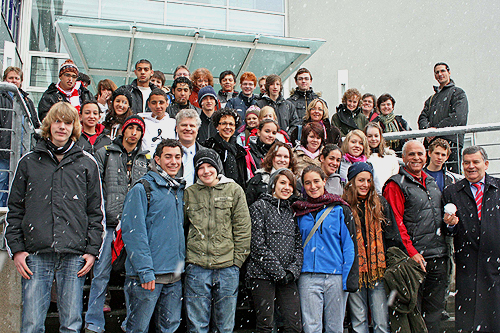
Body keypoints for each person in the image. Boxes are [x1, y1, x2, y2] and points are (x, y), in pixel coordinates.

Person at [5, 102, 104, 333]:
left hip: (74, 256)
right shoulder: (28, 162)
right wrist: (17, 250)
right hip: (36, 254)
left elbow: (95, 211)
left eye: (68, 122)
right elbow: (15, 209)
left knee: (71, 324)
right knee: (31, 324)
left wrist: (92, 250)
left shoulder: (87, 163)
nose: (62, 127)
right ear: (49, 125)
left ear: (74, 127)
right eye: (57, 121)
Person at [86, 115, 150, 333]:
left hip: (134, 226)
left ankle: (130, 323)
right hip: (109, 223)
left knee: (133, 277)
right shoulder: (105, 153)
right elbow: (94, 187)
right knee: (101, 273)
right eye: (130, 128)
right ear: (123, 130)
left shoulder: (146, 159)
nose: (133, 133)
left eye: (138, 129)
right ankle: (93, 322)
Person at [119, 138, 184, 333]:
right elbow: (133, 234)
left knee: (169, 328)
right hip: (147, 276)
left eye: (177, 157)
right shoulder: (142, 188)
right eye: (168, 157)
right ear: (157, 159)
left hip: (174, 275)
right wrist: (145, 271)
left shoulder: (177, 189)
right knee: (137, 328)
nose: (173, 161)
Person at [383, 140, 448, 333]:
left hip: (438, 256)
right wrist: (412, 253)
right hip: (413, 261)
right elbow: (396, 224)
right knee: (413, 315)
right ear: (403, 158)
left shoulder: (431, 181)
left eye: (420, 154)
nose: (416, 158)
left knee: (434, 314)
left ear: (426, 156)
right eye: (411, 154)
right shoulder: (395, 185)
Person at [184, 149, 251, 333]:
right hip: (197, 267)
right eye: (201, 168)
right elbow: (182, 227)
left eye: (210, 166)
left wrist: (237, 261)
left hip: (227, 267)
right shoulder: (190, 193)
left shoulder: (234, 190)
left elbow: (242, 228)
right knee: (197, 325)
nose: (206, 171)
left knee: (225, 325)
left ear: (218, 168)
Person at [292, 165, 358, 333]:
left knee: (335, 327)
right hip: (308, 276)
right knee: (311, 327)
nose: (312, 187)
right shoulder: (299, 211)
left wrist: (348, 277)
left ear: (324, 181)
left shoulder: (340, 208)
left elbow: (349, 245)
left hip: (335, 276)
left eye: (316, 181)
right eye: (307, 183)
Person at [342, 162, 406, 333]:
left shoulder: (380, 204)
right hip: (354, 270)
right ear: (352, 181)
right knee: (358, 320)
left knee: (381, 320)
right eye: (361, 180)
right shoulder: (343, 207)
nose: (365, 185)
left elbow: (391, 235)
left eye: (368, 180)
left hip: (378, 269)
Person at [442, 146, 500, 332]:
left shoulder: (498, 188)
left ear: (486, 164)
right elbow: (449, 231)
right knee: (470, 318)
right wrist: (450, 224)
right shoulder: (452, 192)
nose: (470, 166)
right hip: (468, 264)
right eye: (466, 162)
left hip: (496, 263)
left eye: (475, 162)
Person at [246, 168, 303, 333]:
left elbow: (298, 246)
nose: (287, 188)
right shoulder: (258, 207)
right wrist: (278, 272)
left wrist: (292, 271)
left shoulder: (291, 211)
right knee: (266, 325)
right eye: (282, 183)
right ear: (273, 185)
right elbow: (257, 245)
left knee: (294, 325)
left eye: (290, 184)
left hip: (287, 276)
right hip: (262, 275)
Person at [418, 62, 469, 174]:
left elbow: (458, 118)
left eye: (442, 71)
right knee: (431, 178)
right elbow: (422, 117)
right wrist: (428, 130)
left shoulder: (458, 93)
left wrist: (436, 130)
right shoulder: (431, 99)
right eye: (437, 72)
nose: (440, 74)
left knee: (452, 177)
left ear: (449, 72)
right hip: (431, 145)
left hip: (451, 143)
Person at [202, 108, 248, 189]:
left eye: (231, 124)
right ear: (217, 126)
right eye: (224, 123)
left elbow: (243, 178)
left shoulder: (240, 151)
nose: (228, 127)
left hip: (236, 192)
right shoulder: (208, 147)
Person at [246, 141, 297, 206]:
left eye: (286, 157)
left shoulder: (295, 180)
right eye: (278, 156)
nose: (282, 160)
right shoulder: (258, 180)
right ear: (272, 157)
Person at [365, 122, 399, 194]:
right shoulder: (363, 158)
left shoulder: (390, 157)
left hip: (388, 194)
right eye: (370, 136)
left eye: (376, 136)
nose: (373, 139)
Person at [175, 108, 206, 187]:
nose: (188, 129)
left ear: (197, 129)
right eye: (184, 125)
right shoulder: (165, 154)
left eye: (192, 125)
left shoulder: (207, 155)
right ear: (176, 128)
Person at [140, 88, 176, 154]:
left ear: (167, 103)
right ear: (149, 104)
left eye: (161, 102)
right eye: (154, 103)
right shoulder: (142, 122)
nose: (158, 106)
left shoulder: (173, 123)